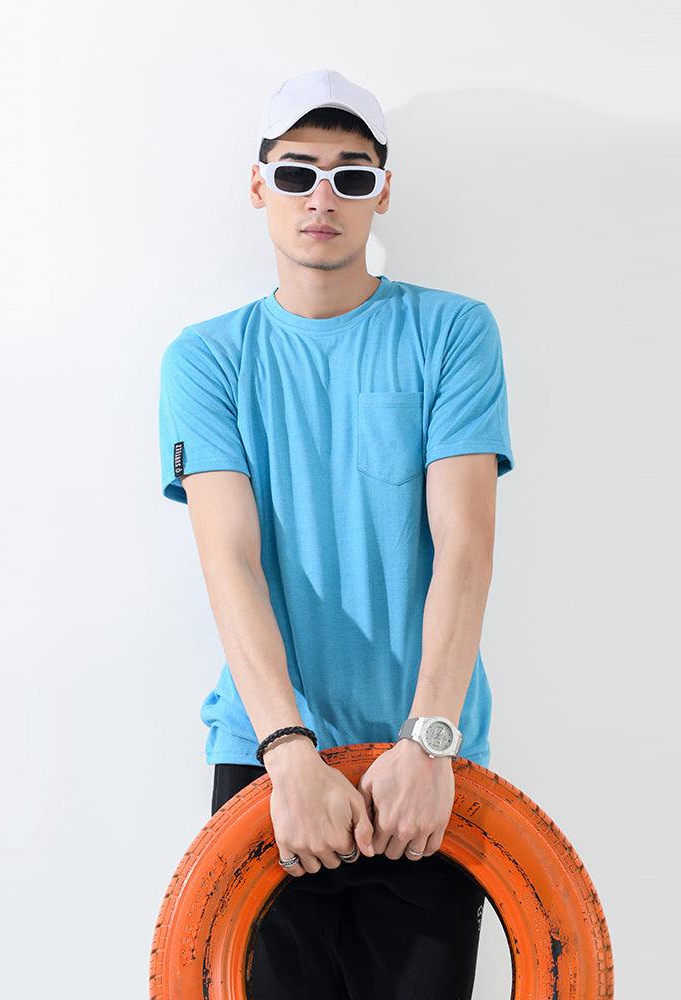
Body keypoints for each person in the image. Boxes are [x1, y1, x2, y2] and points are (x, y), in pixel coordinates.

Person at [158, 68, 515, 999]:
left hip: (425, 766)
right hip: (268, 766)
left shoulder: (452, 333)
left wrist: (428, 741)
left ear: (381, 192)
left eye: (351, 175)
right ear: (259, 185)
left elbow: (466, 546)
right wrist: (288, 751)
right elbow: (229, 560)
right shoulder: (207, 359)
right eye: (297, 172)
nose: (322, 197)